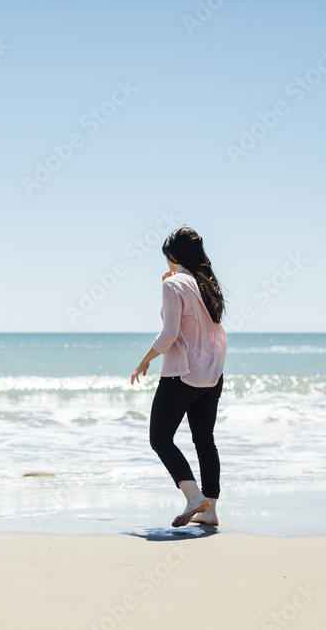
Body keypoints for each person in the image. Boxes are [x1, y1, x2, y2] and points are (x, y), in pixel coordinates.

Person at [130, 226, 227, 528]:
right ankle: (209, 510)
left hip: (183, 375)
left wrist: (145, 359)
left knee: (160, 438)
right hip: (213, 374)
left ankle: (193, 495)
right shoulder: (207, 284)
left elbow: (170, 333)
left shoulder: (173, 285)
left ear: (172, 255)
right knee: (204, 440)